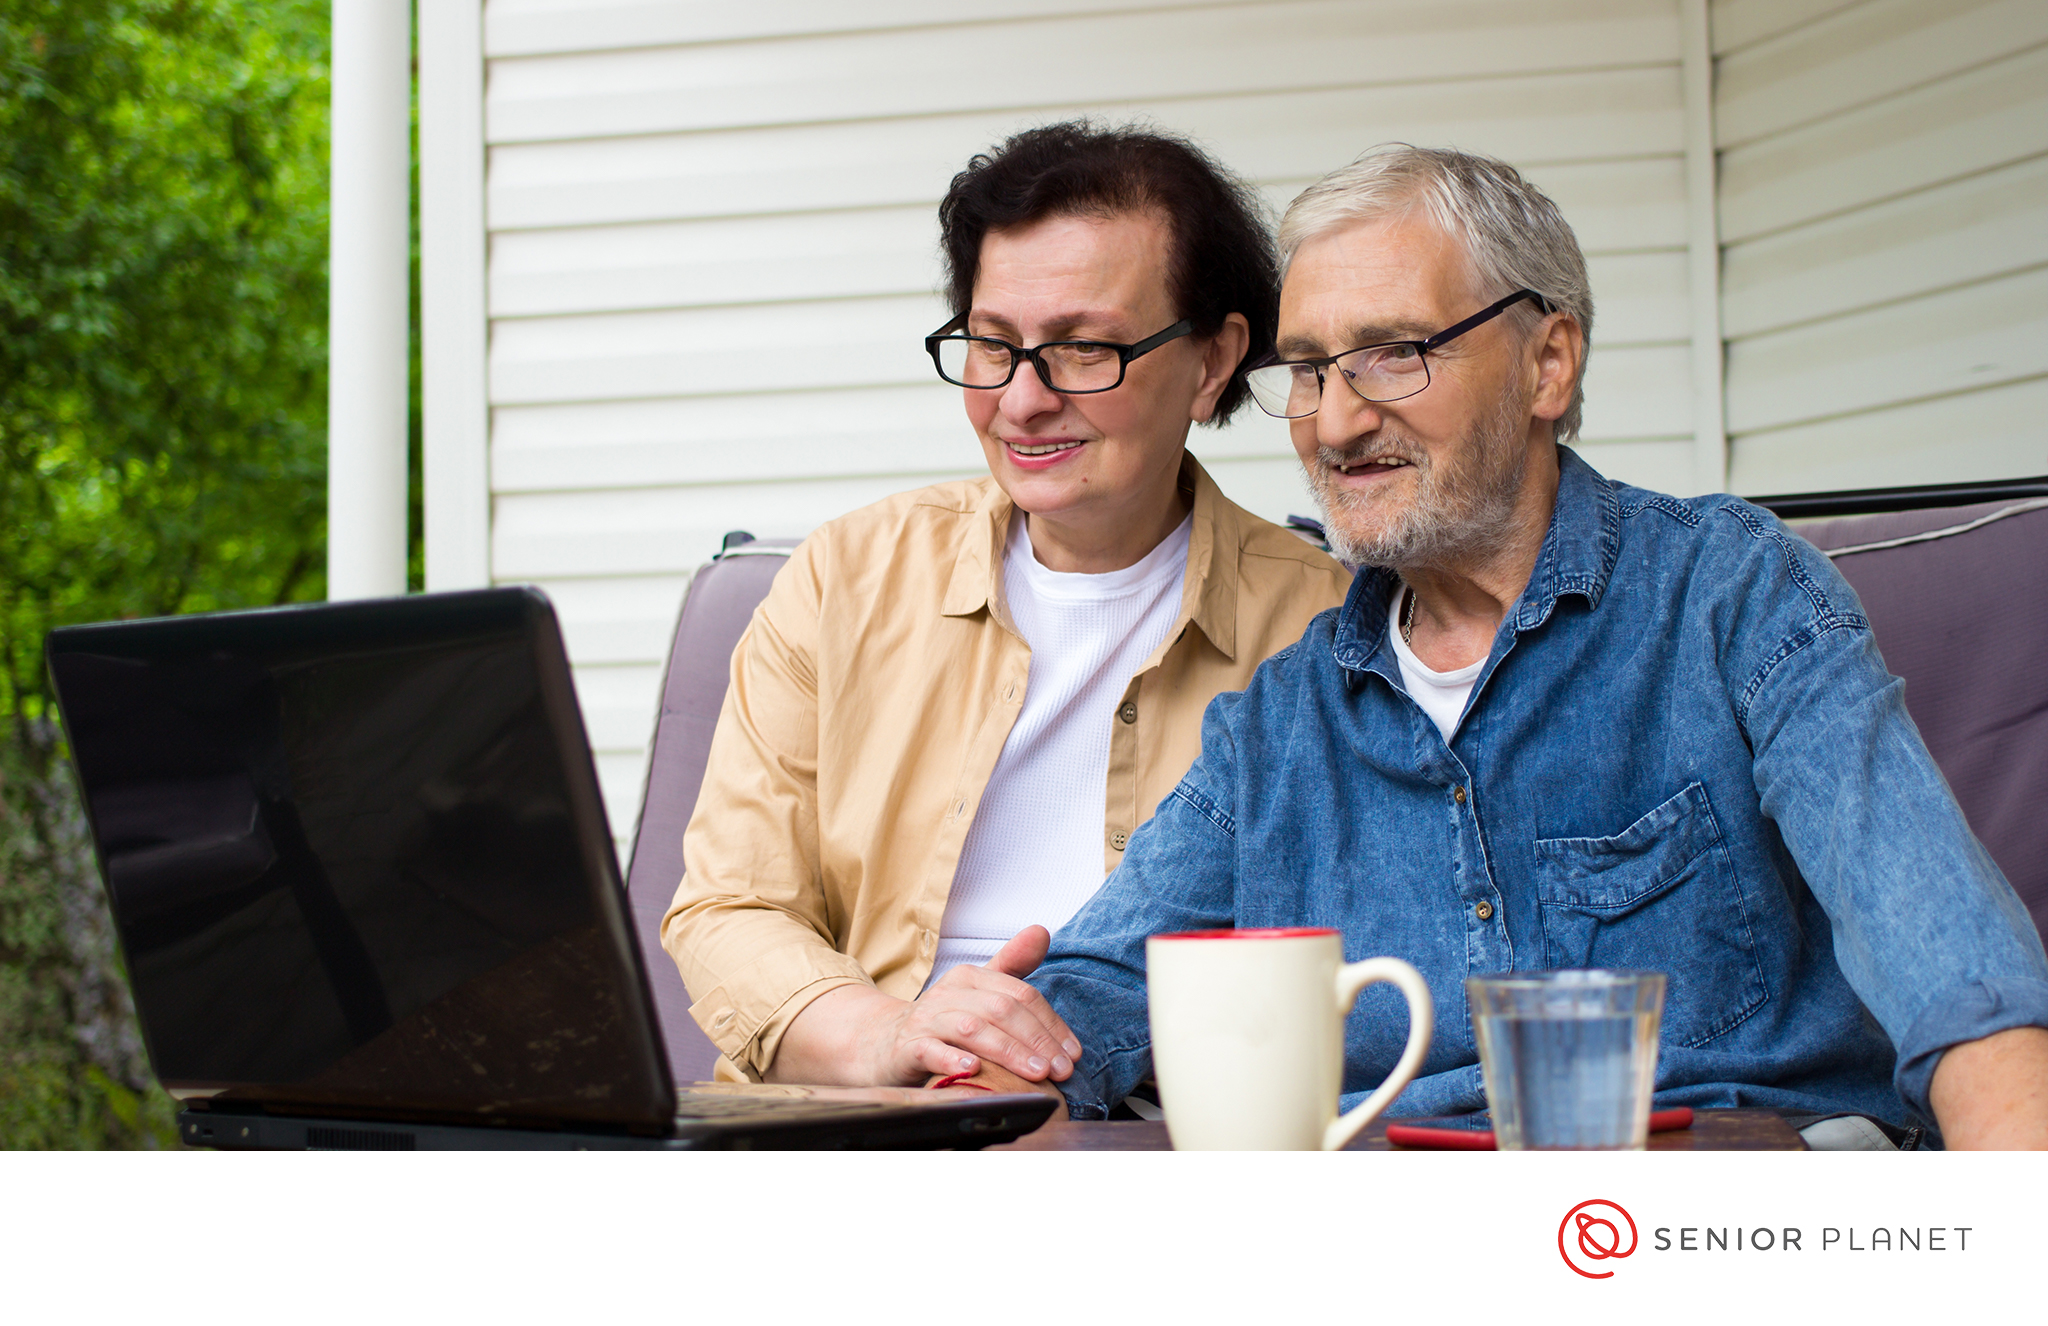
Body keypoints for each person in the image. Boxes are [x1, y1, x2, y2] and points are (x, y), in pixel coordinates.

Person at [1009, 145, 2048, 1148]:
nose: (1331, 423)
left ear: (1546, 362)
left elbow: (1953, 969)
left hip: (1717, 1208)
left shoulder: (1727, 593)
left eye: (1393, 353)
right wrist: (996, 1042)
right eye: (1310, 369)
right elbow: (1094, 990)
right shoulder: (1283, 719)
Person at [660, 123, 1353, 1088]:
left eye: (1083, 350)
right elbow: (730, 906)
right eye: (992, 346)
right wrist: (881, 1035)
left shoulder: (1333, 632)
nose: (1021, 402)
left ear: (1212, 363)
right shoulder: (844, 578)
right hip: (851, 1110)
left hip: (1143, 1122)